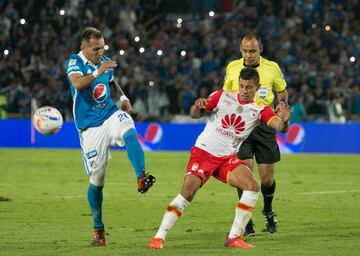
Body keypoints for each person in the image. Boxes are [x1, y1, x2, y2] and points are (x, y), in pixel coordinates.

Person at [149, 67, 290, 249]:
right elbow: (195, 114)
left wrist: (285, 120)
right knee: (187, 193)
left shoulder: (260, 110)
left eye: (249, 87)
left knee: (253, 186)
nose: (244, 91)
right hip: (204, 153)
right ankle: (158, 237)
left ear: (258, 87)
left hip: (227, 159)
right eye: (241, 86)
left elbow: (280, 126)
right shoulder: (222, 96)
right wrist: (197, 105)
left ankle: (234, 237)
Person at [65, 27, 156, 246]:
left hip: (109, 115)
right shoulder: (74, 62)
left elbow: (112, 82)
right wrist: (97, 71)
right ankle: (98, 229)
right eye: (95, 49)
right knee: (97, 179)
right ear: (83, 47)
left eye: (102, 47)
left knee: (128, 128)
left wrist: (123, 97)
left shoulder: (104, 62)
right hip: (90, 128)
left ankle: (141, 176)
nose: (100, 52)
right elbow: (77, 83)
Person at [223, 33, 289, 235]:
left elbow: (282, 90)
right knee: (245, 174)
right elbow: (226, 94)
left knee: (267, 179)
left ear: (260, 49)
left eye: (252, 51)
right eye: (244, 50)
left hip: (264, 125)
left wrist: (282, 104)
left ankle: (268, 210)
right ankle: (247, 219)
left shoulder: (272, 68)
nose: (248, 55)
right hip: (240, 126)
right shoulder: (233, 67)